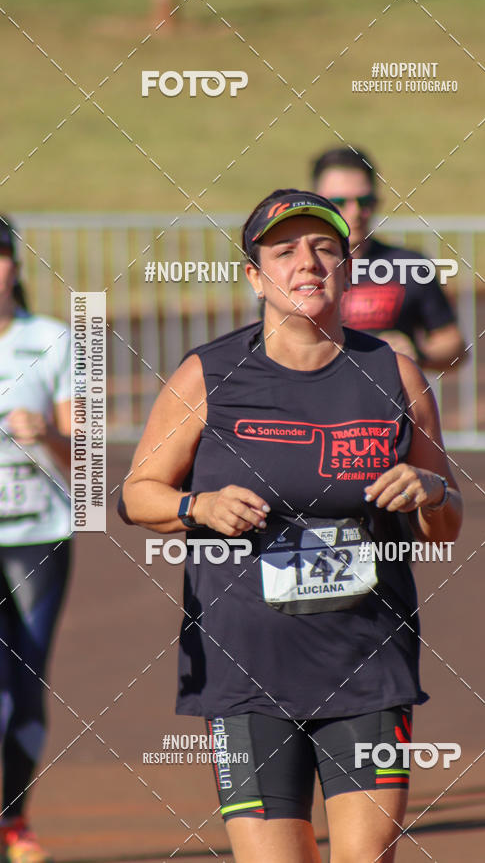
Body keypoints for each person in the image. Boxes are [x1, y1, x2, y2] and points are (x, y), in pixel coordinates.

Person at [120, 190, 462, 863]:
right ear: (255, 276)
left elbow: (444, 526)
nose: (308, 262)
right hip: (247, 670)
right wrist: (199, 507)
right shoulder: (208, 374)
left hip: (366, 662)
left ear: (348, 267)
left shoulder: (393, 374)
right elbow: (136, 495)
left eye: (325, 249)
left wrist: (429, 488)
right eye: (285, 252)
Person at [0, 216, 72, 862]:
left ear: (15, 266)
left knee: (24, 684)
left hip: (38, 538)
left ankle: (14, 821)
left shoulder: (54, 340)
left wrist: (44, 433)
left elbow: (93, 459)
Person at [311, 146, 466, 370]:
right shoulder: (297, 268)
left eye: (364, 202)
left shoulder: (410, 265)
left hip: (390, 401)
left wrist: (418, 353)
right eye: (340, 202)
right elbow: (266, 341)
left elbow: (454, 345)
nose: (354, 212)